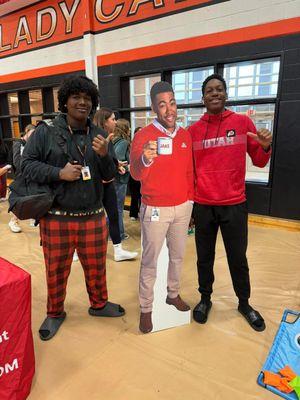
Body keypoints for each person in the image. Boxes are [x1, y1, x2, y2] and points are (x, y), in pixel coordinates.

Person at [22, 76, 125, 341]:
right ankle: (55, 312)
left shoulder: (100, 135)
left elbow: (111, 173)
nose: (82, 102)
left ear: (93, 103)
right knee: (55, 269)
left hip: (92, 215)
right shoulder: (45, 132)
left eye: (87, 98)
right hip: (56, 216)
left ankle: (99, 304)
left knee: (96, 267)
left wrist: (104, 156)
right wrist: (59, 172)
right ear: (65, 101)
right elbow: (27, 165)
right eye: (76, 97)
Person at [189, 73, 272, 332]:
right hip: (203, 204)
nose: (214, 94)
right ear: (202, 98)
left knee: (238, 257)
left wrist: (266, 146)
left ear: (226, 94)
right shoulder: (192, 131)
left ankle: (244, 303)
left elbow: (259, 161)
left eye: (219, 89)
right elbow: (188, 172)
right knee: (204, 257)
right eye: (209, 90)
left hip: (234, 203)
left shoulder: (241, 121)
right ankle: (205, 299)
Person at [130, 81, 194, 334]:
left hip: (182, 208)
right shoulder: (144, 136)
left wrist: (190, 201)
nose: (169, 109)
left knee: (177, 257)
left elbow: (189, 173)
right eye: (162, 104)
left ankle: (172, 294)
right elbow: (135, 174)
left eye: (172, 102)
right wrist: (145, 158)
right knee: (150, 261)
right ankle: (146, 309)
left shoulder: (185, 136)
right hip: (155, 208)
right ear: (154, 108)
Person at [93, 108, 138, 262]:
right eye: (112, 119)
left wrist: (116, 163)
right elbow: (93, 161)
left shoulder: (109, 138)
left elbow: (109, 158)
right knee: (92, 217)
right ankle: (77, 251)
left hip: (109, 183)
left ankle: (118, 250)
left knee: (113, 215)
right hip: (97, 185)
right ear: (105, 121)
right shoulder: (95, 137)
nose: (115, 122)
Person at [8, 124, 36, 233]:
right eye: (32, 133)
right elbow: (17, 161)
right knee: (20, 199)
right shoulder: (18, 143)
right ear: (26, 131)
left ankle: (33, 217)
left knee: (34, 196)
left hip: (31, 176)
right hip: (21, 177)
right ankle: (13, 221)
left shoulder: (32, 144)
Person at [112, 118, 132, 240]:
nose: (130, 129)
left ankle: (114, 233)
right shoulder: (123, 143)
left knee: (114, 208)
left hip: (113, 179)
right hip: (119, 180)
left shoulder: (113, 141)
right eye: (128, 127)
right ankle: (118, 234)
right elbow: (119, 161)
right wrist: (130, 166)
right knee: (118, 208)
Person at [129, 127, 142, 221]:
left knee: (142, 196)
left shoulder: (146, 144)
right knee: (134, 195)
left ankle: (142, 213)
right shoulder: (131, 144)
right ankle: (133, 213)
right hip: (133, 173)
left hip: (143, 174)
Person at [0, 136, 10, 201]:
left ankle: (3, 196)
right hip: (3, 164)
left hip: (3, 164)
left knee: (3, 181)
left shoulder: (4, 145)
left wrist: (8, 167)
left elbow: (8, 155)